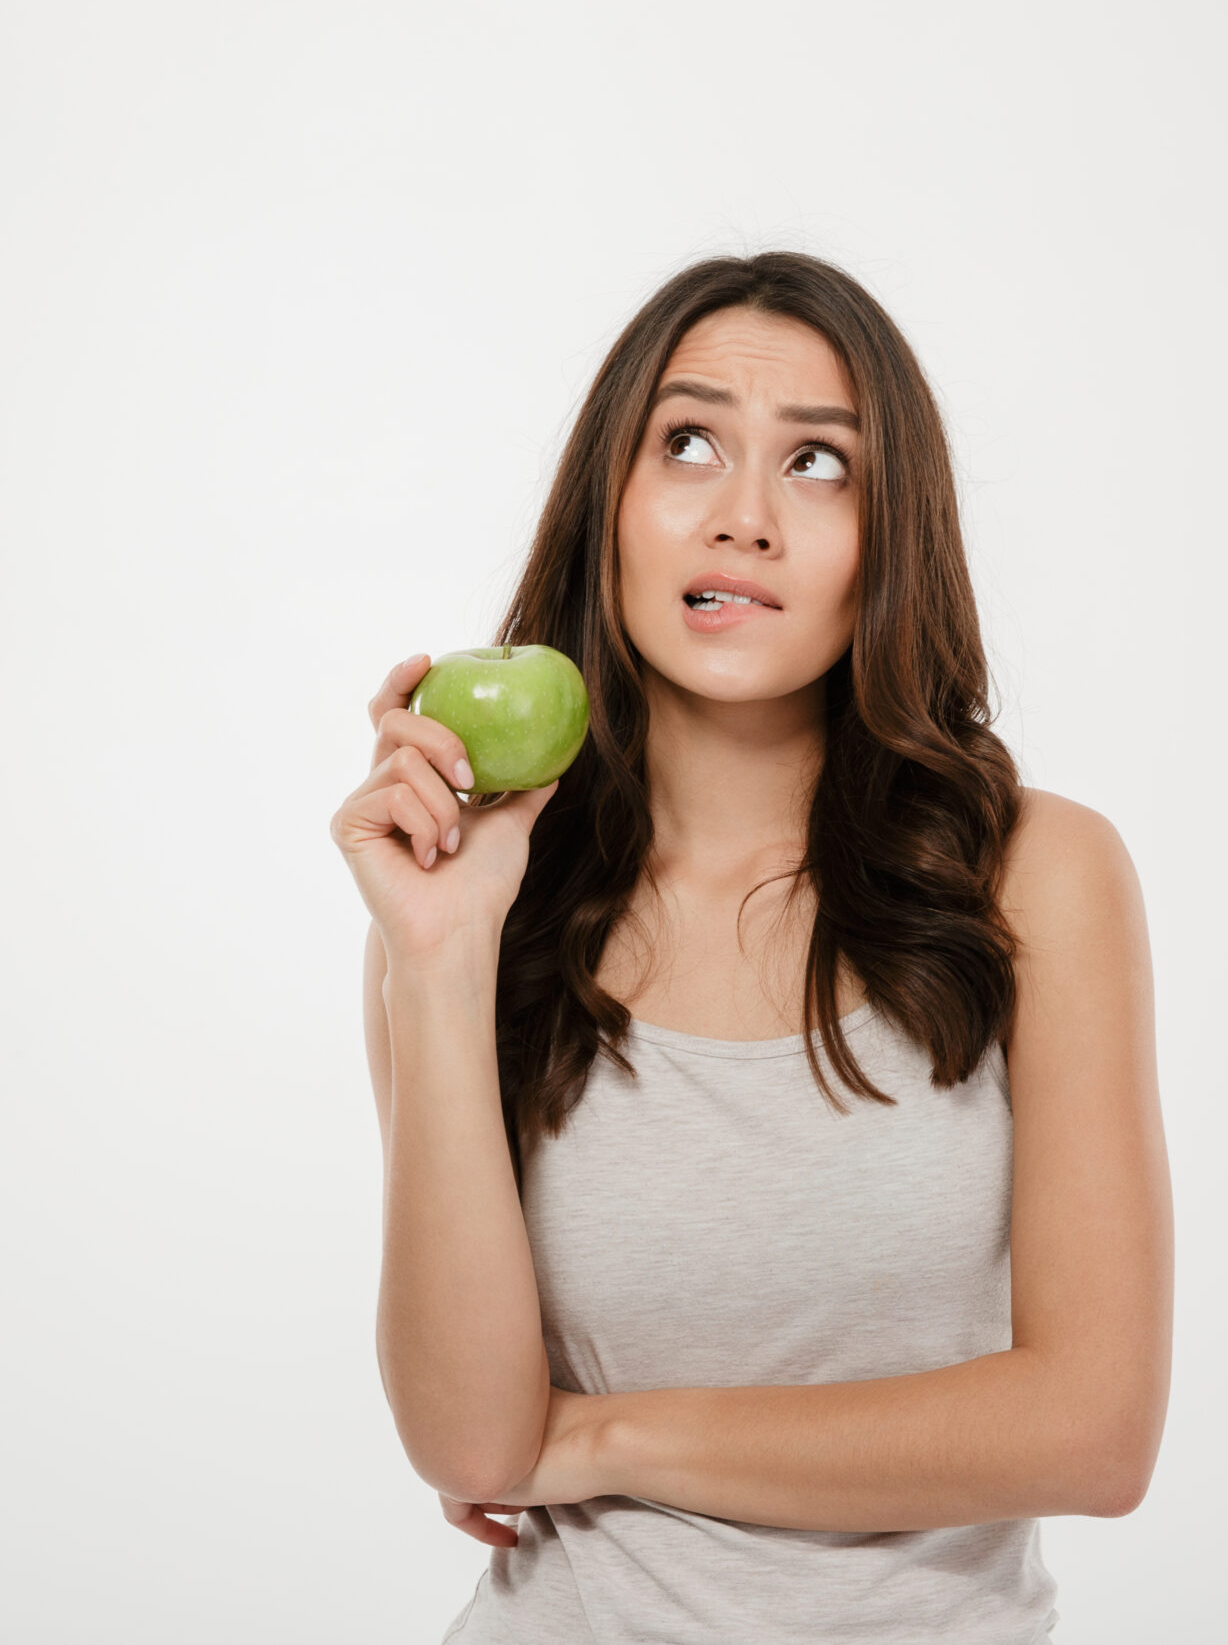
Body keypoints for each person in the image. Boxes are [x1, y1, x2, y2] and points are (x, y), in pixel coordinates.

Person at [327, 251, 1172, 1643]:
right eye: (691, 444)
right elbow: (475, 1443)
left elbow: (1094, 1428)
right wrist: (439, 950)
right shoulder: (476, 918)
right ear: (612, 505)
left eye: (821, 467)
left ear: (892, 536)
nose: (744, 519)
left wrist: (601, 1442)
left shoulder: (1036, 877)